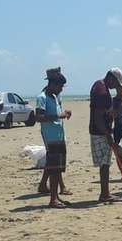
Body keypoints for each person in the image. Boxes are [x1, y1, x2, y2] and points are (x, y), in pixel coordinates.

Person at [35, 67, 72, 209]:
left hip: (58, 136)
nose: (61, 89)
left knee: (57, 169)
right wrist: (59, 115)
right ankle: (52, 199)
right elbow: (39, 117)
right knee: (54, 169)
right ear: (53, 84)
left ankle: (56, 196)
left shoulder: (54, 97)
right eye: (60, 86)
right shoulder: (42, 97)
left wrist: (63, 113)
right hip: (51, 138)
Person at [89, 68, 122, 202]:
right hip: (100, 132)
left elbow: (106, 112)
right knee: (105, 164)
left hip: (99, 130)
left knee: (105, 163)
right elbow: (99, 117)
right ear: (111, 78)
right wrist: (107, 134)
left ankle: (105, 193)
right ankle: (105, 194)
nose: (115, 87)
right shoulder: (102, 91)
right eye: (115, 84)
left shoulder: (98, 84)